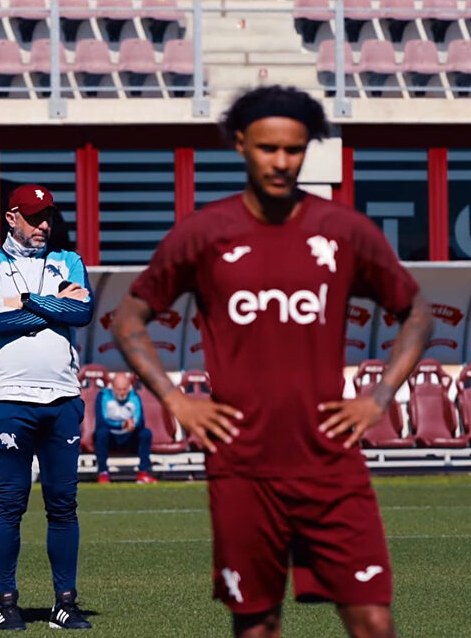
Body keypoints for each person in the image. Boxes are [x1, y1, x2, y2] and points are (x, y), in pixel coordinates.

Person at [111, 85, 432, 638]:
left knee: (374, 620)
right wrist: (174, 400)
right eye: (268, 149)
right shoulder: (204, 233)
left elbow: (417, 312)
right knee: (257, 625)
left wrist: (379, 397)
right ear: (241, 145)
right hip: (241, 465)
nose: (281, 162)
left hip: (331, 462)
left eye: (294, 150)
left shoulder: (345, 231)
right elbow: (127, 318)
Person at [0, 183, 94, 631]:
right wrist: (54, 305)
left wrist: (28, 303)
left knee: (64, 505)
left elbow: (82, 314)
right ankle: (6, 603)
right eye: (34, 216)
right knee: (10, 504)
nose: (44, 225)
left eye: (48, 217)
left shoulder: (69, 260)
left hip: (62, 398)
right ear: (11, 217)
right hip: (8, 399)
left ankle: (65, 603)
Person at [93, 373, 157, 484]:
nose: (122, 392)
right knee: (101, 433)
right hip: (111, 437)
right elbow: (101, 422)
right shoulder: (103, 396)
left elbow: (140, 421)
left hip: (129, 436)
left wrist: (133, 425)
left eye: (124, 389)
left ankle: (143, 473)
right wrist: (120, 425)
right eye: (119, 389)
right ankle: (103, 472)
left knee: (146, 433)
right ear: (112, 387)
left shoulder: (134, 397)